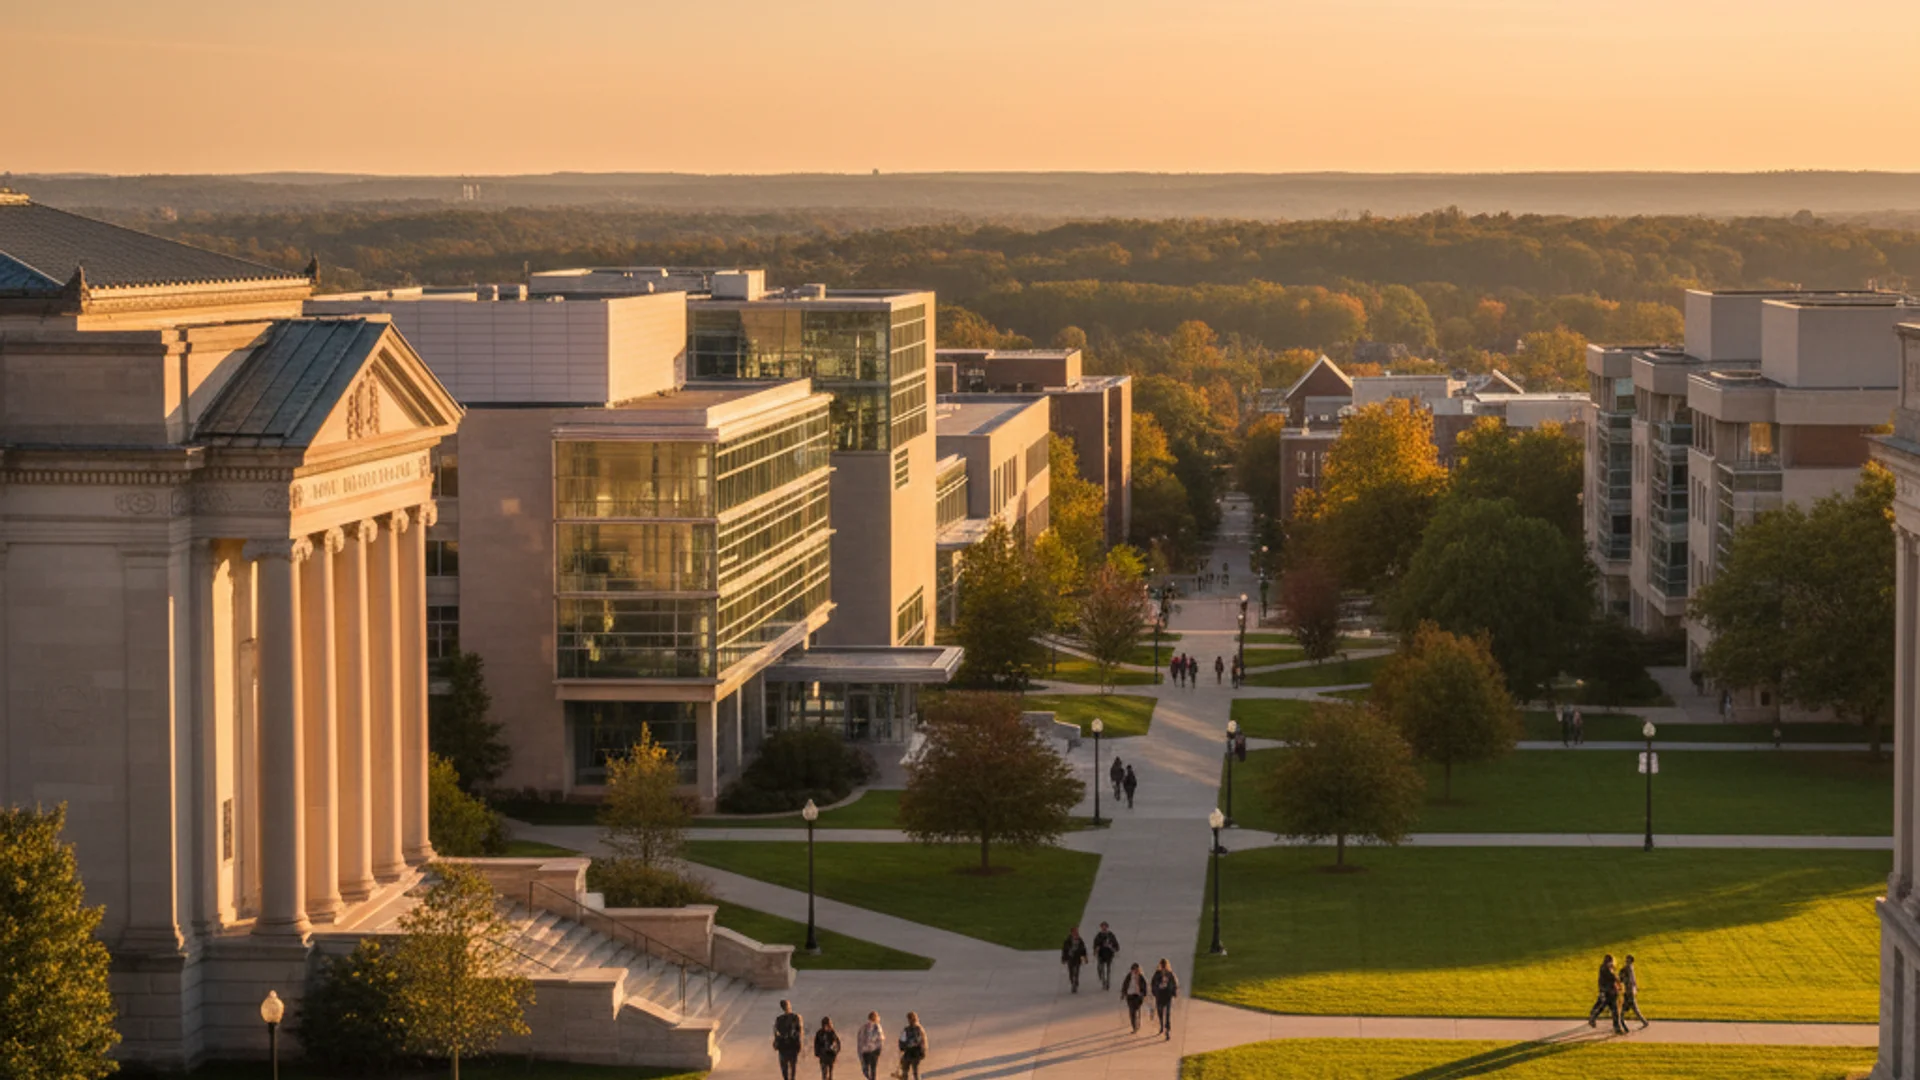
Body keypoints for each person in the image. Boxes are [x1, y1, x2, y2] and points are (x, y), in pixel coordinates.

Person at [1587, 954, 1624, 1034]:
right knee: (1615, 1010)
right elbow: (1614, 978)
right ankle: (1617, 1027)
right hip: (1611, 992)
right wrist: (1619, 983)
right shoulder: (1608, 969)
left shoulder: (1602, 968)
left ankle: (1593, 1017)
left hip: (1606, 991)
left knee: (1604, 1007)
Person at [773, 1000, 805, 1080]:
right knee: (786, 1068)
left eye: (786, 1005)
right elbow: (776, 1032)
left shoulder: (795, 1017)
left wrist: (800, 1041)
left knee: (791, 1066)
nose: (786, 1007)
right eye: (785, 1006)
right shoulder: (780, 1019)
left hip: (791, 1045)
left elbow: (800, 1030)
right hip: (784, 1046)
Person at [1150, 958, 1180, 1040]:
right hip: (1159, 996)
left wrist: (1174, 992)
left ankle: (1167, 1030)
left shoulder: (1170, 974)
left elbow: (1174, 984)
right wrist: (1155, 990)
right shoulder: (1157, 974)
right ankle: (1161, 1025)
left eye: (1164, 965)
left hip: (1167, 996)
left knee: (1167, 1014)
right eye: (1162, 965)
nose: (1163, 967)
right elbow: (1153, 983)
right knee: (1160, 1012)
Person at [897, 1012, 929, 1080]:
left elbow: (903, 1040)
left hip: (912, 1052)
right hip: (914, 1053)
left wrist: (903, 1046)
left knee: (909, 1070)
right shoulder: (915, 1029)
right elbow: (902, 1039)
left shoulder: (912, 1029)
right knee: (912, 1071)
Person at [1620, 955, 1649, 1030]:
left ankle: (1621, 1022)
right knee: (1629, 1008)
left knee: (1632, 1008)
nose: (1626, 960)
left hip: (1629, 991)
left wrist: (1622, 977)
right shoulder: (1630, 968)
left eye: (1627, 959)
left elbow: (1627, 980)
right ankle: (1621, 1022)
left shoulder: (1628, 968)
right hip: (1630, 991)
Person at [1120, 962, 1150, 1033]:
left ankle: (1137, 1022)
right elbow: (1125, 984)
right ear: (1132, 970)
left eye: (1137, 969)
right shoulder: (1129, 976)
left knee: (1136, 1009)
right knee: (1131, 1011)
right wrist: (1123, 994)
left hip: (1138, 996)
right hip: (1130, 996)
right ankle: (1134, 1027)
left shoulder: (1141, 977)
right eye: (1134, 969)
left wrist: (1144, 994)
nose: (1135, 971)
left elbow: (1145, 986)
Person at [855, 1012, 885, 1080]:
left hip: (865, 1051)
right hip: (874, 1050)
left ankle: (869, 1078)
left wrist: (860, 1051)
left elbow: (859, 1040)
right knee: (873, 1068)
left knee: (866, 1068)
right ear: (875, 1018)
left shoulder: (863, 1027)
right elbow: (880, 1038)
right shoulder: (877, 1026)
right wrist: (879, 1049)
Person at [1092, 922, 1120, 990]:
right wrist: (1096, 949)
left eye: (1105, 926)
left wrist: (1112, 947)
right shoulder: (1099, 935)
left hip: (1108, 954)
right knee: (1101, 968)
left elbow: (1115, 944)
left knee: (1108, 969)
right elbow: (1095, 944)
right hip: (1101, 954)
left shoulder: (1110, 935)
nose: (1104, 928)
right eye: (1102, 927)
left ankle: (1107, 982)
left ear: (1107, 927)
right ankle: (1103, 980)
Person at [1061, 926, 1089, 992]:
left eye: (1077, 931)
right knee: (1071, 972)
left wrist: (1085, 958)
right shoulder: (1068, 940)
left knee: (1076, 971)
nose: (1076, 933)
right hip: (1070, 958)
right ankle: (1072, 981)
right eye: (1074, 931)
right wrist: (1064, 958)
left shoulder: (1080, 940)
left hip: (1077, 957)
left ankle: (1075, 982)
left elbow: (1083, 949)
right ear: (1071, 932)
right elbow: (1064, 950)